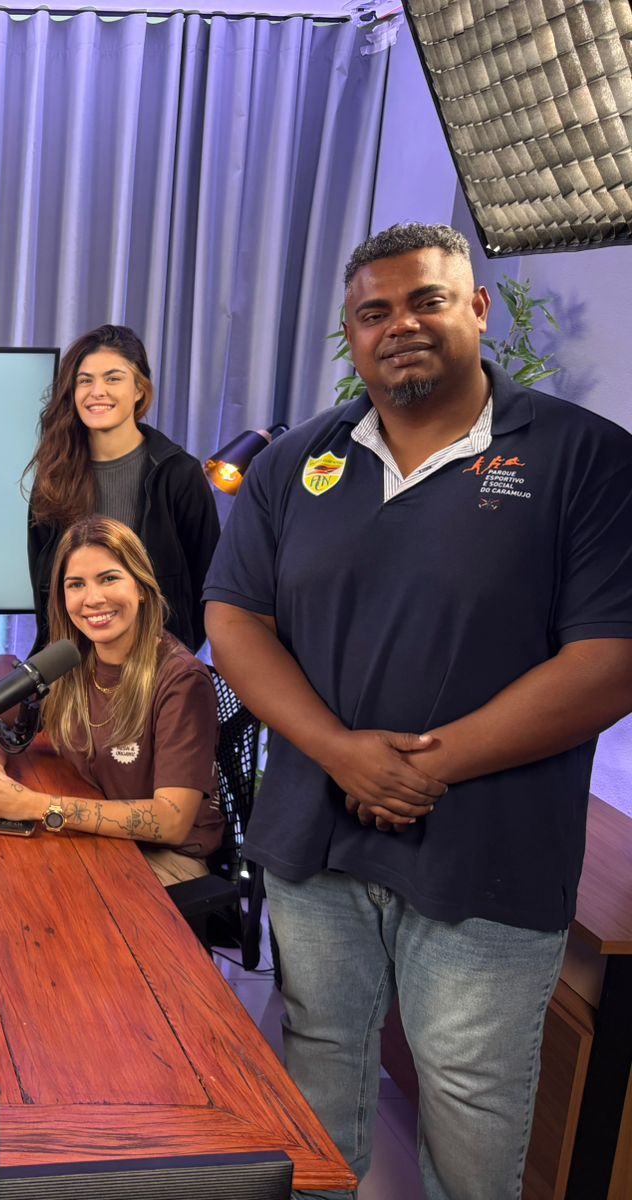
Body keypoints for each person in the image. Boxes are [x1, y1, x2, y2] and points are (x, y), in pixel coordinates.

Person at [204, 222, 632, 1200]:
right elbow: (234, 619)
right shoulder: (296, 462)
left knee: (472, 1103)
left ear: (476, 309)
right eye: (374, 312)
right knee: (317, 1070)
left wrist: (421, 767)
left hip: (490, 850)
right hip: (315, 837)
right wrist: (339, 753)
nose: (399, 324)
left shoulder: (586, 459)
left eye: (425, 300)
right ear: (351, 336)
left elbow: (610, 661)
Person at [0, 516, 224, 886]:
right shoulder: (68, 657)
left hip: (163, 858)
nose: (93, 598)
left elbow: (171, 822)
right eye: (76, 584)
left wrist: (34, 805)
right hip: (91, 836)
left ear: (141, 587)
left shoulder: (181, 680)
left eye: (109, 578)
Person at [26, 325, 220, 653]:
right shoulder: (54, 477)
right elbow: (45, 586)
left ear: (140, 389)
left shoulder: (179, 474)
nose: (97, 391)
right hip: (72, 663)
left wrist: (171, 657)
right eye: (85, 380)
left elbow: (208, 587)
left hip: (156, 663)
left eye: (113, 378)